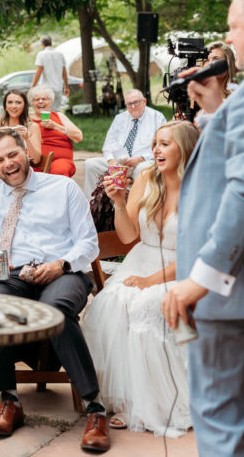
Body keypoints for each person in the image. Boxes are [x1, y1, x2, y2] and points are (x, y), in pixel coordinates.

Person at [162, 0, 244, 456]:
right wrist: (214, 104)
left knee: (221, 424)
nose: (229, 38)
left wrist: (202, 278)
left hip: (235, 293)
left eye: (235, 27)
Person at [0, 128, 109, 451]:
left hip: (62, 270)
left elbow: (89, 243)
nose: (8, 164)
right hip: (12, 276)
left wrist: (61, 264)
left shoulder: (62, 188)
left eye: (13, 155)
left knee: (56, 311)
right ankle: (10, 401)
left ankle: (95, 408)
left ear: (27, 153)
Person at [82, 121, 198, 437]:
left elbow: (196, 254)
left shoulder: (200, 186)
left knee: (147, 303)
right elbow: (128, 234)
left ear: (185, 148)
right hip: (141, 257)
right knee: (113, 302)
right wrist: (119, 202)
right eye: (155, 144)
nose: (156, 150)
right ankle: (127, 400)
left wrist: (150, 281)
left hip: (182, 268)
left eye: (165, 144)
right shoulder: (147, 177)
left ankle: (160, 404)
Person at [81, 89, 166, 196]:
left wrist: (141, 158)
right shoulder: (120, 118)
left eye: (136, 102)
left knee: (143, 168)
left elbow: (161, 145)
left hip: (143, 162)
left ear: (144, 101)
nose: (133, 106)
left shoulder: (156, 117)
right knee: (91, 164)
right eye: (129, 104)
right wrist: (111, 161)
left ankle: (139, 207)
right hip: (119, 163)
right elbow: (109, 143)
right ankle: (94, 207)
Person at [28, 85, 81, 177]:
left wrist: (56, 126)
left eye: (44, 99)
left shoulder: (59, 116)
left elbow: (78, 137)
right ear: (32, 103)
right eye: (37, 99)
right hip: (35, 161)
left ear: (50, 102)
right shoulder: (27, 120)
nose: (40, 101)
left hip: (60, 160)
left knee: (59, 171)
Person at [194, 42, 237, 131]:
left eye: (216, 59)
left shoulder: (236, 98)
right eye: (206, 60)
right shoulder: (199, 98)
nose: (209, 64)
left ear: (228, 64)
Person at [31, 35, 69, 111]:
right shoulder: (60, 55)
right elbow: (64, 73)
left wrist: (33, 86)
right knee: (56, 110)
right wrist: (66, 87)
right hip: (58, 88)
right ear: (51, 43)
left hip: (46, 89)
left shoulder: (41, 54)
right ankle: (55, 123)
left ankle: (48, 123)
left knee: (46, 111)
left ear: (42, 44)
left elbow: (38, 72)